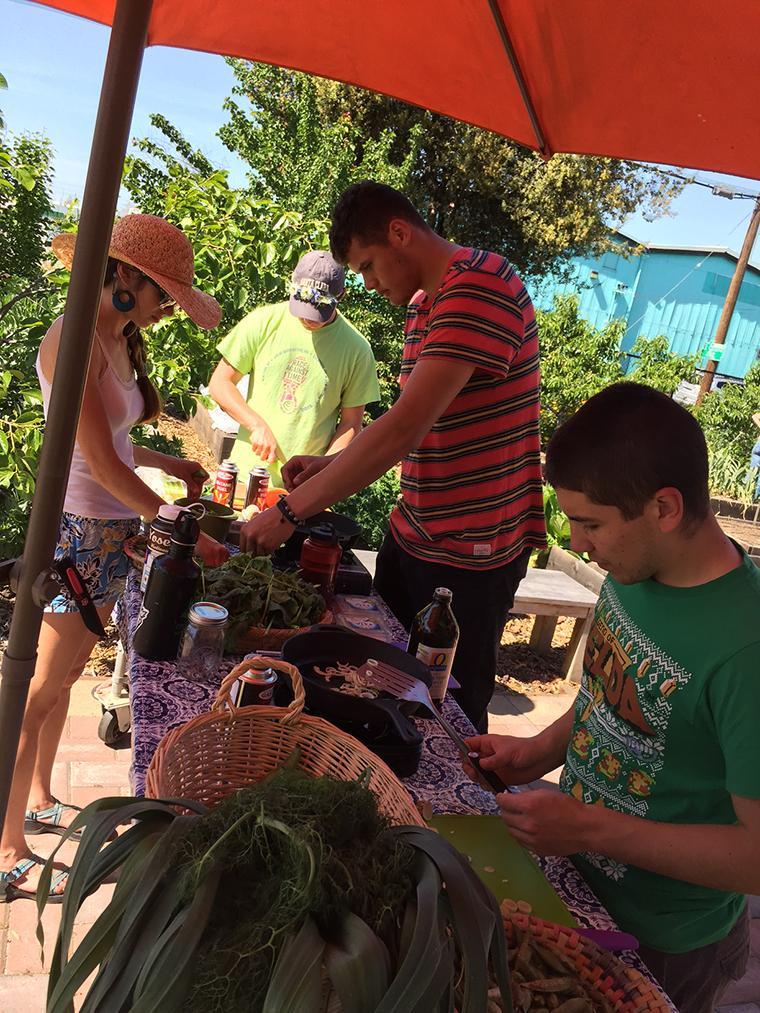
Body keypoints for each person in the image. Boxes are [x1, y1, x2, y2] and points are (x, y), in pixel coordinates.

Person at [465, 383, 759, 1013]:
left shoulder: (745, 652)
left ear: (665, 507)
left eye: (591, 522)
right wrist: (537, 753)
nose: (575, 540)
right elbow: (611, 695)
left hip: (666, 943)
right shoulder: (637, 571)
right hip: (578, 887)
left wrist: (591, 826)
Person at [240, 181, 546, 730]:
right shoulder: (426, 303)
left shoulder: (480, 285)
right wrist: (329, 465)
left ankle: (445, 814)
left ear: (400, 233)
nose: (368, 283)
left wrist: (290, 512)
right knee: (375, 687)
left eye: (367, 266)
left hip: (471, 552)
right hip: (414, 534)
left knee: (449, 713)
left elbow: (404, 427)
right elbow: (416, 419)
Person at [0, 214, 229, 903]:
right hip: (72, 535)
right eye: (163, 295)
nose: (164, 312)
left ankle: (38, 796)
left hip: (105, 534)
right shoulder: (71, 338)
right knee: (33, 693)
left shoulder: (118, 337)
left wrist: (170, 464)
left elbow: (119, 442)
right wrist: (174, 523)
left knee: (69, 672)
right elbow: (96, 460)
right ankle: (6, 841)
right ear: (126, 276)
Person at [208, 250, 380, 488]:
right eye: (302, 305)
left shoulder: (357, 350)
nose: (307, 318)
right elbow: (220, 384)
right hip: (245, 475)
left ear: (341, 295)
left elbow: (351, 424)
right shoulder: (264, 321)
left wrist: (322, 471)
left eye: (318, 309)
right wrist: (255, 424)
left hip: (303, 488)